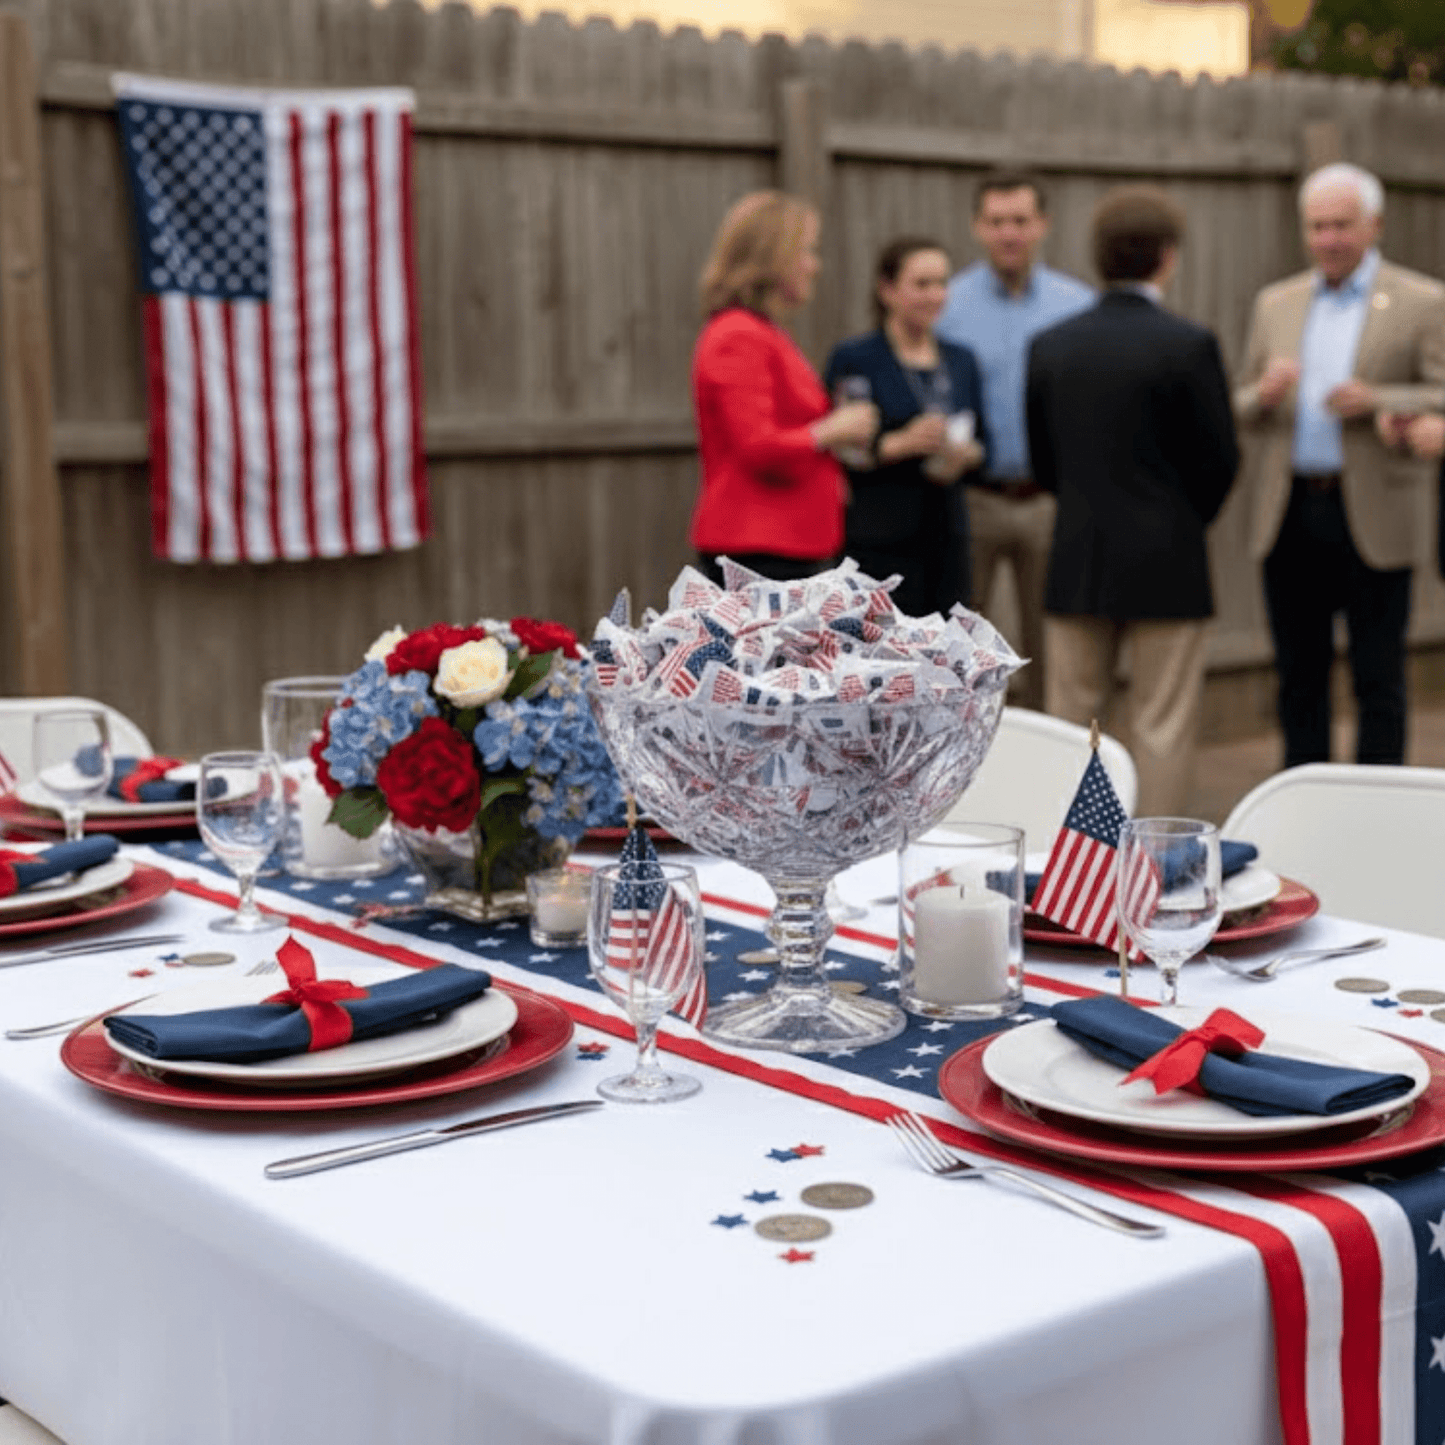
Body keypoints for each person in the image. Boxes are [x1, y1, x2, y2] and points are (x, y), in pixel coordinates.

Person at [1026, 186, 1238, 817]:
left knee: (1074, 722)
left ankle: (1071, 863)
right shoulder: (1189, 344)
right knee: (1162, 723)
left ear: (1097, 257)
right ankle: (1158, 866)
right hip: (1169, 558)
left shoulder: (1052, 345)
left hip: (1079, 554)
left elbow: (1045, 465)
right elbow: (1220, 462)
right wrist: (1178, 519)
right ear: (1167, 258)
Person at [1234, 162, 1445, 769]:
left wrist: (1379, 399)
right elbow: (1241, 403)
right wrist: (1265, 395)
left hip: (1375, 514)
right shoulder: (1276, 302)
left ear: (1374, 226)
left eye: (1341, 226)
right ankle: (1304, 808)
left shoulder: (1422, 301)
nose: (1328, 239)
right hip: (1291, 510)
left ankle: (1376, 815)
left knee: (1379, 679)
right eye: (1317, 227)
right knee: (1298, 679)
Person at [935, 172, 1093, 708]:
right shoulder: (947, 304)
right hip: (970, 499)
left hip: (1048, 501)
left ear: (1042, 225)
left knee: (1054, 647)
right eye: (997, 222)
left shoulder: (1078, 306)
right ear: (978, 227)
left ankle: (1052, 769)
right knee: (958, 646)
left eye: (1021, 221)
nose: (1010, 234)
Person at [689, 191, 878, 586]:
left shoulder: (762, 331)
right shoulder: (739, 335)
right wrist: (834, 430)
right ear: (774, 257)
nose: (815, 266)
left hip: (783, 543)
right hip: (758, 546)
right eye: (807, 251)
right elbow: (759, 447)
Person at [822, 238, 987, 618]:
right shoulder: (857, 358)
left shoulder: (962, 360)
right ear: (887, 290)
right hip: (878, 536)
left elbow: (984, 444)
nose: (934, 295)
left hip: (946, 535)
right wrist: (899, 444)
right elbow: (840, 448)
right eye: (922, 284)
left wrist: (966, 453)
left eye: (941, 283)